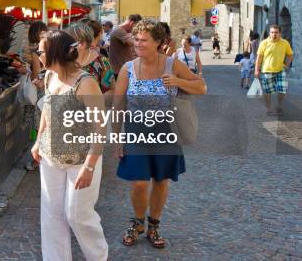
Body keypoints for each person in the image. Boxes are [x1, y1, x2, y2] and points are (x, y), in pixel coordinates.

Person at [113, 20, 206, 249]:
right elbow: (118, 105)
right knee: (139, 184)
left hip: (166, 132)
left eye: (144, 40)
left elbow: (201, 87)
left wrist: (177, 81)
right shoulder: (128, 69)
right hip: (136, 133)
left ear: (158, 42)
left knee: (161, 181)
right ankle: (138, 223)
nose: (138, 43)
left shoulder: (172, 65)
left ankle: (153, 224)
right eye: (136, 39)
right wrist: (116, 138)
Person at [31, 30, 108, 261]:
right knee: (52, 215)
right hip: (50, 157)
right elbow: (47, 109)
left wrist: (90, 166)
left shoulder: (86, 83)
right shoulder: (49, 77)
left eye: (41, 51)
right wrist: (38, 141)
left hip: (81, 160)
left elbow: (100, 128)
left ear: (54, 53)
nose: (38, 55)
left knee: (78, 215)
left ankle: (99, 257)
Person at [254, 25, 294, 116]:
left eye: (276, 32)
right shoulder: (264, 43)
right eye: (272, 32)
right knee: (268, 91)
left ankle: (278, 106)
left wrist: (286, 65)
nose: (274, 34)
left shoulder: (285, 43)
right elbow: (259, 58)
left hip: (280, 70)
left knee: (283, 90)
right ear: (269, 33)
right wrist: (256, 70)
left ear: (280, 33)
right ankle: (268, 108)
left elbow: (290, 55)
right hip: (267, 71)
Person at [24, 21, 48, 171]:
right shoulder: (49, 49)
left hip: (40, 94)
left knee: (40, 127)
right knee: (45, 127)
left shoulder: (36, 52)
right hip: (48, 90)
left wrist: (26, 70)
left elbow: (36, 75)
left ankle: (37, 160)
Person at [66, 22, 115, 93]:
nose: (65, 46)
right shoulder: (64, 60)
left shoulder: (102, 61)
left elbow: (110, 90)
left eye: (70, 43)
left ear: (82, 44)